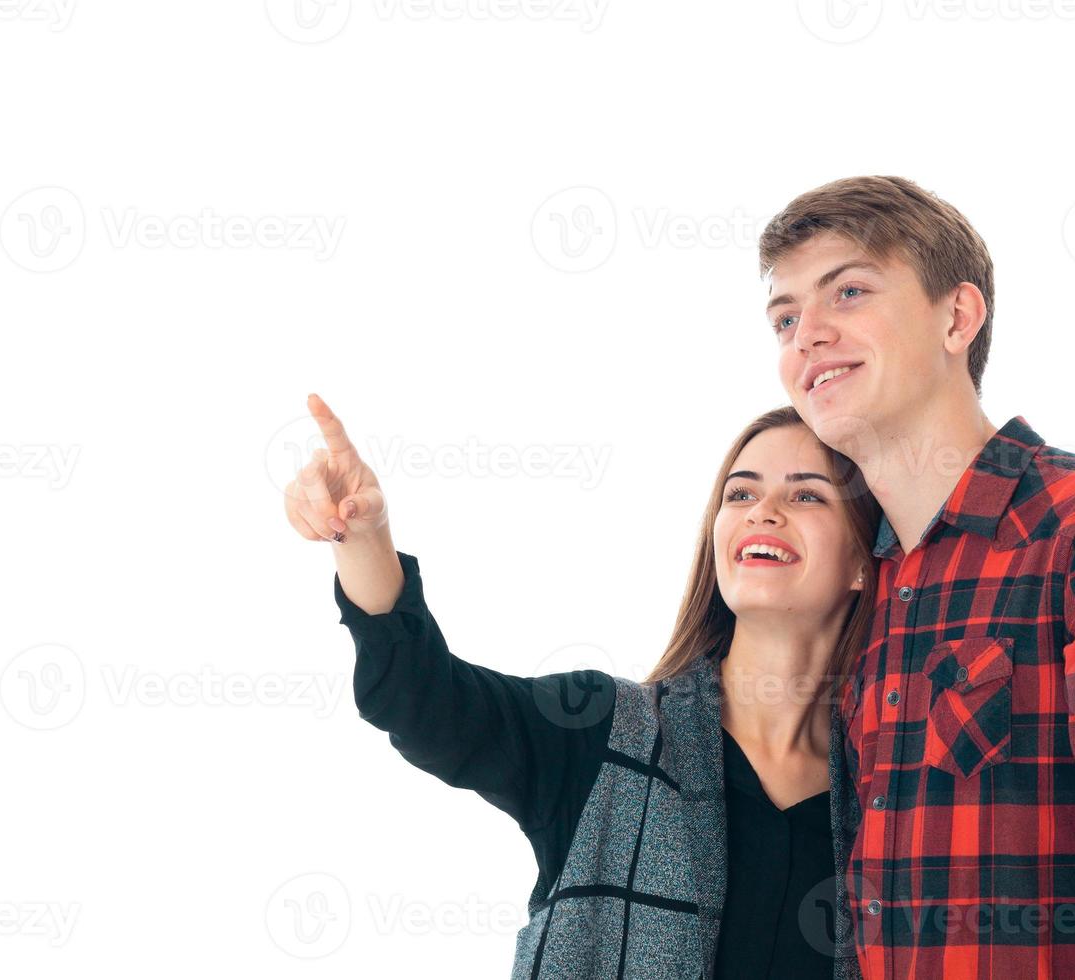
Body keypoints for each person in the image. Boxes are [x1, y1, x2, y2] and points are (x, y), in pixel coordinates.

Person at [758, 175, 1075, 978]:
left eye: (850, 290)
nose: (808, 335)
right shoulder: (863, 585)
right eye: (785, 317)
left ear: (957, 316)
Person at [283, 394, 884, 979]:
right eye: (742, 492)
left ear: (864, 559)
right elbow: (423, 699)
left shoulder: (882, 803)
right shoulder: (602, 730)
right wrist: (364, 539)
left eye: (806, 493)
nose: (763, 511)